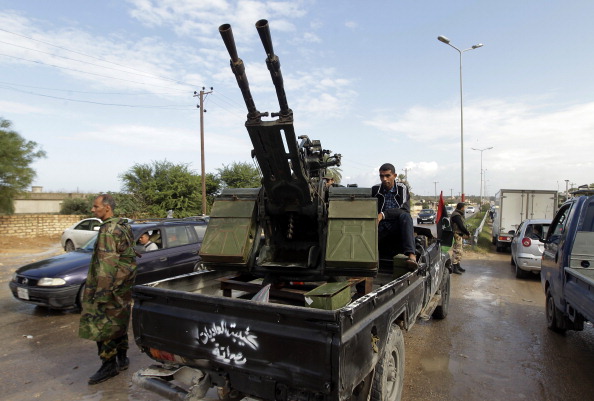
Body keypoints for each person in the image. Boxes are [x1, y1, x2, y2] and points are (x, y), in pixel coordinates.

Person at [79, 194, 137, 385]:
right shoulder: (123, 225)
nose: (92, 210)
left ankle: (109, 365)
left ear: (107, 208)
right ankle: (122, 359)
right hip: (122, 287)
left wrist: (101, 295)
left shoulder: (108, 230)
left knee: (102, 326)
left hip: (110, 288)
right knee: (118, 322)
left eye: (96, 207)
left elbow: (106, 265)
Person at [371, 163, 417, 270]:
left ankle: (411, 255)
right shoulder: (375, 190)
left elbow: (404, 210)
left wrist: (383, 215)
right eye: (381, 176)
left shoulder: (402, 188)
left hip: (397, 226)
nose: (384, 179)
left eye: (387, 176)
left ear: (395, 176)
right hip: (380, 227)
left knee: (405, 217)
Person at [450, 202, 471, 274]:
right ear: (462, 208)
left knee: (460, 251)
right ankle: (454, 267)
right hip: (457, 234)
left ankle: (458, 265)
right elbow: (461, 226)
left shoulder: (458, 214)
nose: (464, 209)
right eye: (464, 207)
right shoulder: (456, 215)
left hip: (459, 234)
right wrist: (467, 233)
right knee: (457, 251)